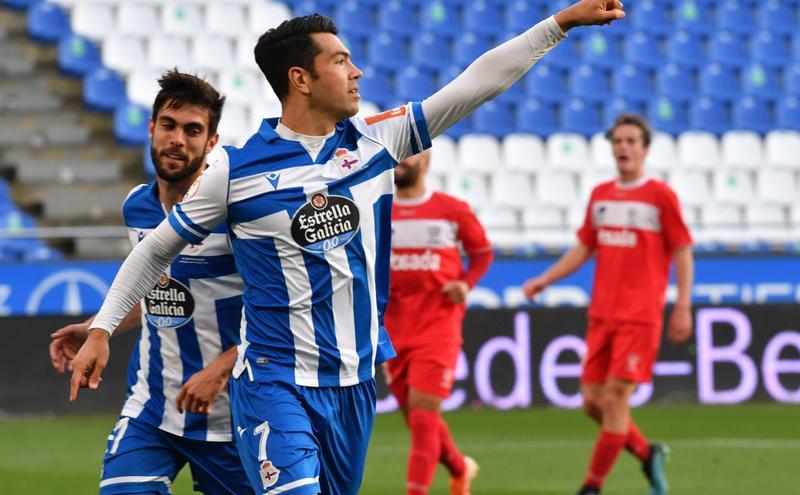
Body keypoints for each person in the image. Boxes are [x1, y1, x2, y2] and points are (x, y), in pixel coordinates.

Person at [68, 2, 626, 494]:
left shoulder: (377, 144)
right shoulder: (234, 171)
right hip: (272, 381)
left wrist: (559, 24)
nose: (356, 71)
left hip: (354, 382)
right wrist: (101, 329)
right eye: (340, 61)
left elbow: (474, 85)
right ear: (301, 79)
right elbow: (154, 250)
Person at [52, 70, 252, 495]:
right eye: (169, 125)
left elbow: (281, 311)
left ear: (211, 143)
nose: (177, 139)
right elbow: (154, 293)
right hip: (152, 409)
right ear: (151, 128)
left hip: (236, 418)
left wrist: (221, 368)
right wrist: (97, 327)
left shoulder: (238, 217)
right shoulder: (137, 207)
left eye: (193, 130)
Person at [523, 113, 694, 495]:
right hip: (603, 313)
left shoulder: (660, 196)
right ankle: (648, 454)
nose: (624, 148)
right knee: (591, 402)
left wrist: (683, 305)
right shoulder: (601, 195)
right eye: (618, 141)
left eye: (632, 141)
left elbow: (682, 250)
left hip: (640, 315)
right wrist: (545, 279)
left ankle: (591, 486)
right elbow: (585, 246)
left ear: (645, 149)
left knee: (615, 399)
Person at [384, 151, 493, 495]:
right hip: (393, 328)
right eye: (398, 153)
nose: (401, 160)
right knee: (417, 418)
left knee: (423, 415)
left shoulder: (452, 209)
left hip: (439, 325)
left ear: (426, 162)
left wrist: (466, 282)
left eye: (410, 154)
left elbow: (482, 253)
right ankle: (460, 469)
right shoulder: (378, 208)